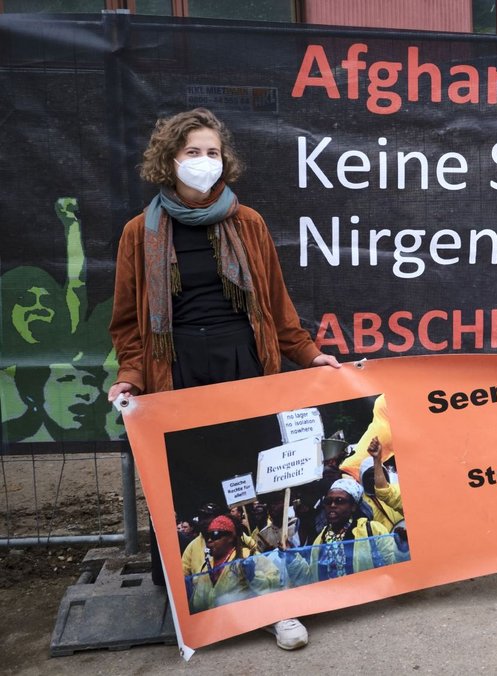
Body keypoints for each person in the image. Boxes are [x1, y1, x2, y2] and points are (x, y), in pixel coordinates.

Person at [107, 107, 340, 650]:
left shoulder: (248, 223)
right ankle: (194, 607)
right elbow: (127, 323)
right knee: (186, 486)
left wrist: (307, 355)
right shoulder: (138, 234)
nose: (204, 162)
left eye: (212, 152)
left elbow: (278, 307)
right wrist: (131, 377)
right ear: (169, 161)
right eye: (192, 153)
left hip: (244, 368)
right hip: (177, 372)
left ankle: (275, 605)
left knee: (254, 486)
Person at [185, 515, 282, 613]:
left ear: (231, 537)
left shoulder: (248, 557)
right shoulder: (207, 567)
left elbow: (275, 582)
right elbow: (198, 605)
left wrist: (253, 578)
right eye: (207, 536)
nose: (210, 540)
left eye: (215, 534)